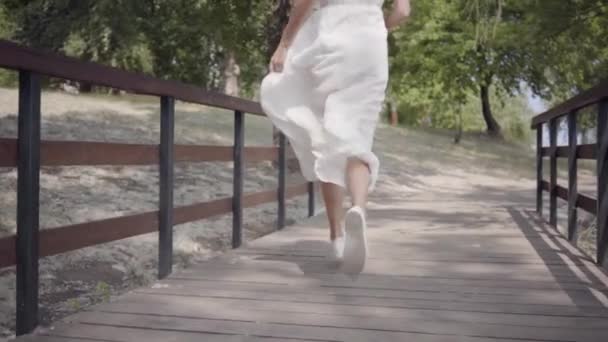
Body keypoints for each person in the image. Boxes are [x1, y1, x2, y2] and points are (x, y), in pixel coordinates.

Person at [260, 0, 411, 274]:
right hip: (370, 43)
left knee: (327, 137)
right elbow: (402, 11)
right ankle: (359, 209)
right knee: (357, 137)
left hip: (331, 37)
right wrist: (381, 26)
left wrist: (284, 44)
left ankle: (337, 236)